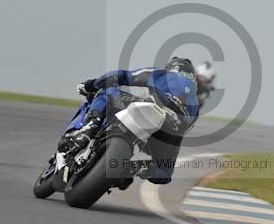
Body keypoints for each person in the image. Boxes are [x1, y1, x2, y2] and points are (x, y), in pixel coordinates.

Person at [57, 57, 199, 185]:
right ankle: (132, 168)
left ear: (172, 67)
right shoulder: (195, 102)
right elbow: (185, 130)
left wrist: (91, 84)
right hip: (172, 129)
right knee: (163, 173)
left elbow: (122, 76)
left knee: (107, 91)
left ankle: (89, 127)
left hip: (153, 110)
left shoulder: (163, 74)